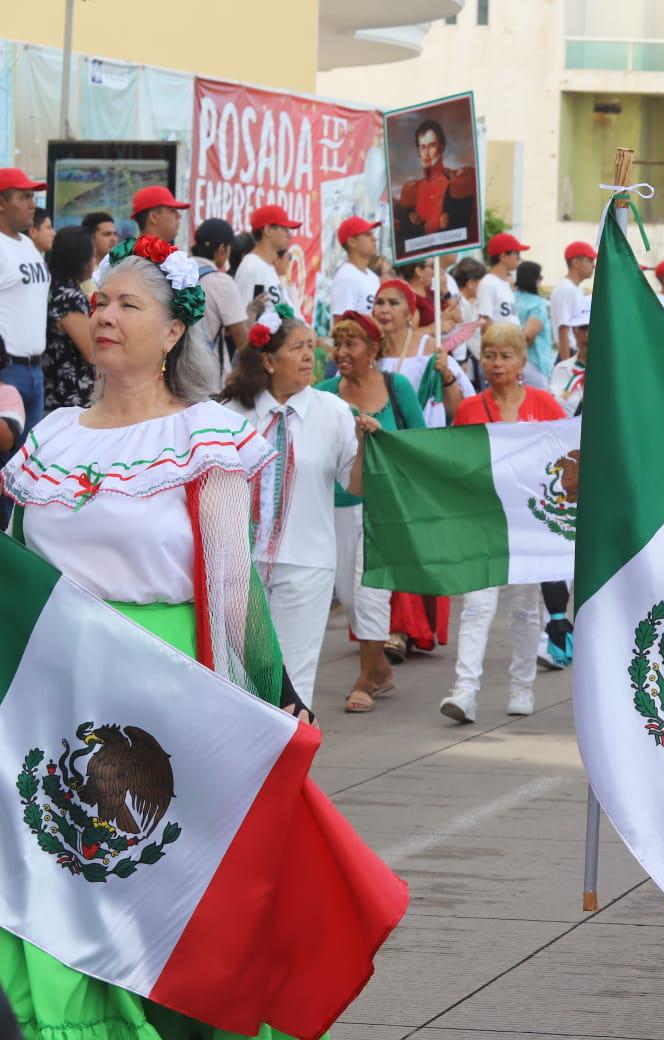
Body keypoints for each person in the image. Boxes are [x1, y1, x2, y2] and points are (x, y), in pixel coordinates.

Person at [0, 237, 327, 1040]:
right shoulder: (49, 440)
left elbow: (229, 577)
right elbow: (16, 568)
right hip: (58, 687)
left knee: (154, 879)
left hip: (170, 679)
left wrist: (266, 697)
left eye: (127, 304)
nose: (103, 316)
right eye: (99, 302)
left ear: (175, 331)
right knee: (61, 874)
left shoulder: (204, 434)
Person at [222, 312, 362, 709]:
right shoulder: (230, 412)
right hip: (238, 567)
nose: (308, 357)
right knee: (237, 678)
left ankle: (290, 770)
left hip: (305, 562)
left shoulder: (333, 411)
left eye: (310, 348)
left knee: (294, 684)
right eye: (297, 348)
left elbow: (355, 486)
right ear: (268, 360)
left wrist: (368, 444)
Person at [441, 324, 570, 723]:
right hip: (484, 522)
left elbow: (568, 451)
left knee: (525, 608)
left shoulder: (546, 405)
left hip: (530, 524)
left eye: (506, 356)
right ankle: (465, 691)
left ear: (522, 361)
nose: (497, 363)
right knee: (477, 606)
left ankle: (522, 686)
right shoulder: (468, 409)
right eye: (491, 355)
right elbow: (455, 463)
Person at [317, 311, 423, 707]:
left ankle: (365, 680)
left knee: (370, 590)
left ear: (374, 350)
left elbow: (419, 444)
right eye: (338, 344)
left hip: (385, 507)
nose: (341, 352)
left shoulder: (398, 389)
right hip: (336, 506)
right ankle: (379, 667)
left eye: (351, 344)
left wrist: (382, 440)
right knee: (348, 590)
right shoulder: (324, 393)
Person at [374, 278, 471, 428]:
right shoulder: (367, 351)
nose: (384, 309)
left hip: (423, 444)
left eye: (393, 303)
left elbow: (458, 411)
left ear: (409, 314)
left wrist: (446, 377)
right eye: (379, 303)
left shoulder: (429, 348)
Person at [0, 168, 50, 432]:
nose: (33, 204)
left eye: (33, 197)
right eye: (24, 197)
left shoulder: (27, 244)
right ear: (1, 202)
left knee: (27, 465)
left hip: (34, 370)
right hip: (7, 371)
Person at [392, 118, 478, 256]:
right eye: (423, 147)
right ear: (418, 151)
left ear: (441, 147)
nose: (426, 153)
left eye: (432, 146)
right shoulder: (411, 190)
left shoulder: (457, 180)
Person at [188, 218, 249, 394]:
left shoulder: (178, 274)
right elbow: (241, 338)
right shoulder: (221, 282)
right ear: (221, 249)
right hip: (211, 382)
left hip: (178, 378)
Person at [42, 225, 95, 412]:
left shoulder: (54, 290)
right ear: (82, 260)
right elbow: (91, 350)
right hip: (71, 400)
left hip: (57, 395)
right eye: (92, 255)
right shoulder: (69, 297)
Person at [235, 204, 300, 313]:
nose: (290, 236)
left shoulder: (267, 266)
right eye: (285, 229)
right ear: (268, 230)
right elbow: (245, 322)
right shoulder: (251, 268)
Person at [331, 215, 383, 318]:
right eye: (368, 234)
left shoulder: (373, 277)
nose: (374, 238)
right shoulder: (346, 275)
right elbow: (341, 322)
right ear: (352, 242)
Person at [514, 260, 555, 387]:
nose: (541, 280)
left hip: (512, 362)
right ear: (534, 279)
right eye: (540, 277)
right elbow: (528, 335)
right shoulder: (537, 303)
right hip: (533, 364)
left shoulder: (511, 298)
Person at [552, 241, 595, 360]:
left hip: (576, 352)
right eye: (590, 261)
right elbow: (563, 328)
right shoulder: (565, 288)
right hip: (568, 353)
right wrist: (566, 363)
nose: (593, 265)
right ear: (576, 262)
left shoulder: (576, 288)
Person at [478, 232, 528, 330]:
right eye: (516, 253)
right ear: (503, 256)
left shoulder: (505, 284)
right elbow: (484, 322)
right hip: (498, 344)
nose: (519, 258)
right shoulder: (488, 283)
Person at [549, 299, 590, 416]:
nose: (587, 335)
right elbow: (557, 411)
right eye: (582, 327)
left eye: (593, 326)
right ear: (573, 330)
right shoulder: (561, 369)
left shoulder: (616, 372)